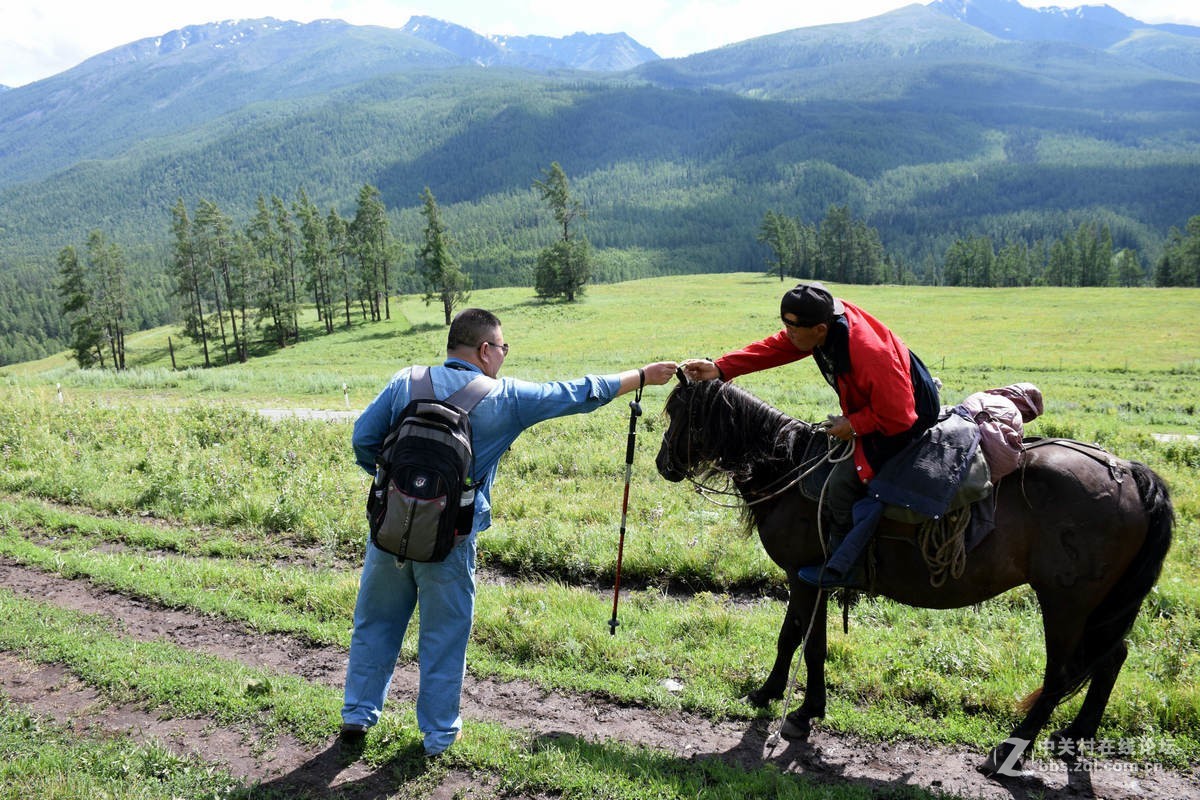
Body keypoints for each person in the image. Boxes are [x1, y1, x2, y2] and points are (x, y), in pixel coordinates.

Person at [341, 307, 677, 756]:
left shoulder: (406, 380)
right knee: (443, 636)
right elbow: (577, 393)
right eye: (502, 348)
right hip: (451, 541)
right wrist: (640, 375)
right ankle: (438, 736)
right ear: (485, 350)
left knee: (376, 622)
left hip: (387, 531)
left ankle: (356, 716)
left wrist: (399, 490)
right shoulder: (505, 398)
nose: (503, 356)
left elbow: (363, 439)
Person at [681, 282, 939, 589]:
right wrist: (721, 369)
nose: (787, 333)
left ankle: (846, 567)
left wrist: (854, 425)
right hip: (881, 404)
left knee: (843, 483)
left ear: (819, 329)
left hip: (905, 416)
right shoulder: (823, 324)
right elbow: (779, 346)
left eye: (793, 328)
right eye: (786, 325)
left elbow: (900, 415)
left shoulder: (867, 352)